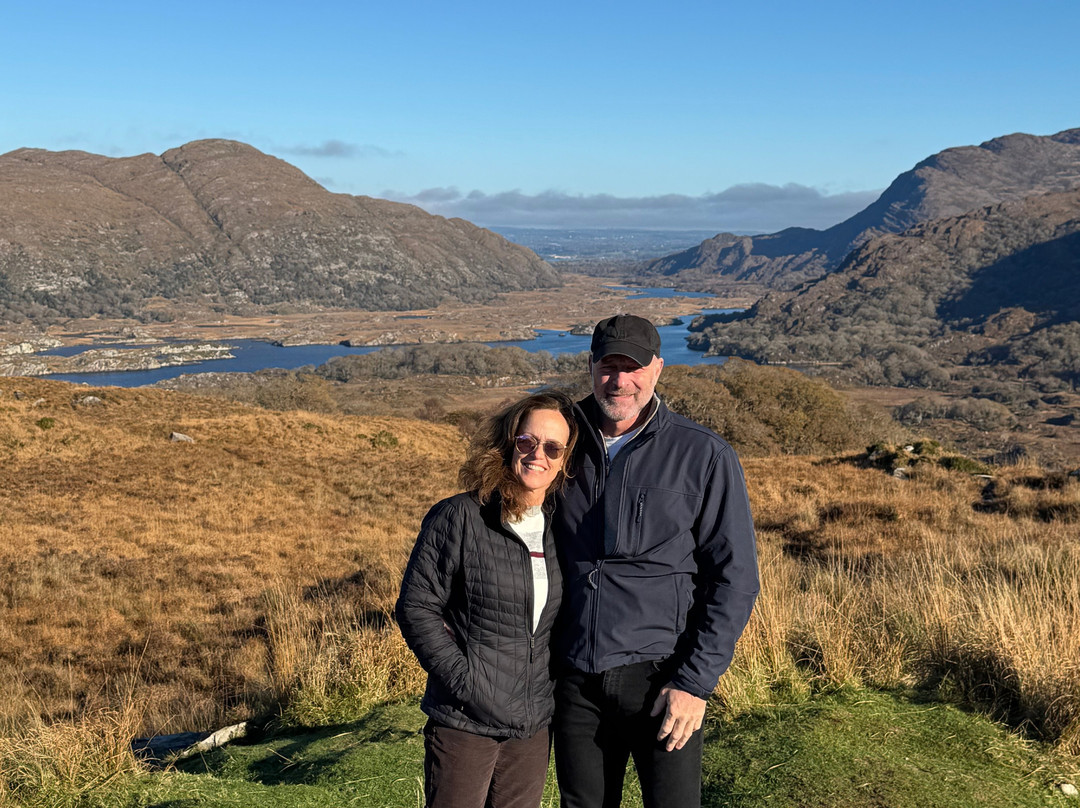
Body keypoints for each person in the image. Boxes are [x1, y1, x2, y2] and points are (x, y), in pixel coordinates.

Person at [552, 314, 760, 808]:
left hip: (662, 678)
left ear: (658, 369)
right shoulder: (557, 443)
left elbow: (735, 579)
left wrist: (693, 682)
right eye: (608, 366)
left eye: (633, 367)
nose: (619, 380)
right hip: (574, 678)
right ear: (590, 366)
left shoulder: (703, 454)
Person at [396, 391, 579, 808]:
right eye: (527, 441)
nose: (538, 455)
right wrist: (468, 684)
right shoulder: (461, 516)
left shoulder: (561, 529)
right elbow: (416, 607)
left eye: (553, 448)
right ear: (508, 443)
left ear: (564, 461)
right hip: (466, 721)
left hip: (531, 727)